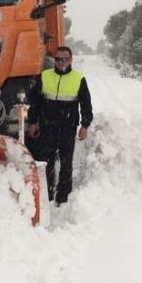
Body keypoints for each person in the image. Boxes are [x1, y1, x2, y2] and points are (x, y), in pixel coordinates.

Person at [27, 46, 93, 205]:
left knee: (66, 160)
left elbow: (86, 104)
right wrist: (33, 122)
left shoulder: (78, 79)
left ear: (71, 60)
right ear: (54, 60)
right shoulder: (44, 76)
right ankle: (47, 193)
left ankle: (63, 195)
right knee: (46, 159)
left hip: (68, 125)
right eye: (58, 59)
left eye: (65, 59)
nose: (61, 62)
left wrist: (85, 125)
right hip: (47, 125)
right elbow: (34, 103)